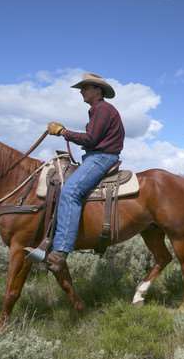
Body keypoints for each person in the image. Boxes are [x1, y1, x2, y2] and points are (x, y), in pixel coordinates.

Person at [43, 72, 125, 272]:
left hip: (102, 157)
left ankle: (61, 250)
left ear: (97, 90)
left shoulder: (103, 109)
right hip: (96, 156)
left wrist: (63, 132)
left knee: (70, 192)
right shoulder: (98, 109)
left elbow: (90, 140)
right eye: (81, 88)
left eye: (85, 88)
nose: (81, 92)